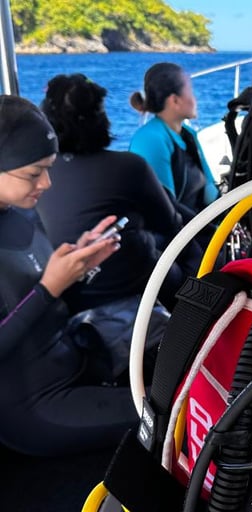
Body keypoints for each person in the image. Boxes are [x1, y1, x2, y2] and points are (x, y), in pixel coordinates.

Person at [0, 95, 143, 456]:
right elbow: (37, 297)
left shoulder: (21, 213)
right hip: (34, 405)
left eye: (49, 168)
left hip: (73, 360)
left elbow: (34, 293)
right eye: (34, 173)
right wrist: (49, 288)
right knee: (170, 414)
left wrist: (79, 265)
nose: (47, 183)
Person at [37, 73, 197, 311]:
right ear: (101, 119)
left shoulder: (37, 178)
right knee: (191, 246)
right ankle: (200, 314)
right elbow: (172, 225)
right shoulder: (129, 166)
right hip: (137, 293)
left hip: (70, 295)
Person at [129, 62, 220, 222]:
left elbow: (210, 193)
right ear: (175, 101)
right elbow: (162, 209)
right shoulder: (151, 139)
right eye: (191, 91)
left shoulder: (189, 135)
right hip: (174, 234)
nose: (195, 99)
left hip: (198, 226)